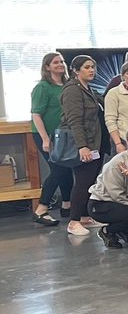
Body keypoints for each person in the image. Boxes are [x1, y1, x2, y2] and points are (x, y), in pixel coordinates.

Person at [61, 54, 105, 237]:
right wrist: (82, 146)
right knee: (82, 181)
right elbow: (74, 121)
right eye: (87, 67)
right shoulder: (72, 90)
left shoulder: (89, 89)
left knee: (91, 179)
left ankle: (85, 216)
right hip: (85, 143)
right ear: (75, 70)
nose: (91, 70)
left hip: (96, 142)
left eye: (93, 67)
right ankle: (73, 221)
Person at [31, 52, 72, 226]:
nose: (60, 64)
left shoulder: (68, 85)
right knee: (58, 170)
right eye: (55, 62)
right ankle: (41, 209)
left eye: (62, 61)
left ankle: (67, 205)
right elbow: (36, 115)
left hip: (64, 135)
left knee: (68, 169)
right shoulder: (43, 87)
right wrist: (45, 139)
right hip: (46, 135)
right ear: (47, 66)